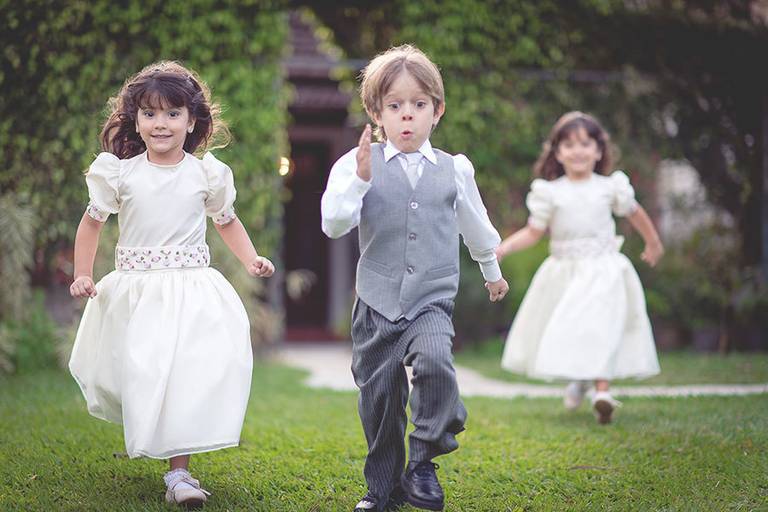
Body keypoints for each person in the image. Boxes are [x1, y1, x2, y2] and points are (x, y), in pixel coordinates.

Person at [68, 61, 274, 508]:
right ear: (135, 121)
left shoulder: (205, 174)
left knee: (183, 374)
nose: (161, 123)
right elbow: (91, 224)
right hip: (137, 292)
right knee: (145, 371)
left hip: (191, 291)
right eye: (149, 113)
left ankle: (179, 474)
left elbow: (227, 222)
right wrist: (83, 273)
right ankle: (152, 430)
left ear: (192, 120)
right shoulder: (120, 174)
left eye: (172, 113)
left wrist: (252, 257)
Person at [321, 44, 509, 512]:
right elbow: (333, 223)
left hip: (431, 297)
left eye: (418, 105)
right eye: (394, 106)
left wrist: (492, 271)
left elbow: (476, 223)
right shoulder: (355, 164)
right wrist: (361, 181)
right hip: (376, 302)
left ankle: (424, 461)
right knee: (381, 403)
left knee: (435, 361)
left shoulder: (454, 168)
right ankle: (383, 492)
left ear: (437, 111)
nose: (407, 116)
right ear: (376, 113)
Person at [496, 111, 663, 424]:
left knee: (601, 326)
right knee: (575, 332)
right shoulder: (550, 191)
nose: (578, 151)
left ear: (599, 151)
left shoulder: (609, 187)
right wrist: (505, 246)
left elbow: (635, 213)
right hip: (566, 272)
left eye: (586, 143)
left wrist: (652, 242)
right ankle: (581, 381)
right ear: (558, 153)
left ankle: (602, 392)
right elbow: (534, 231)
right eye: (569, 145)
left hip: (604, 269)